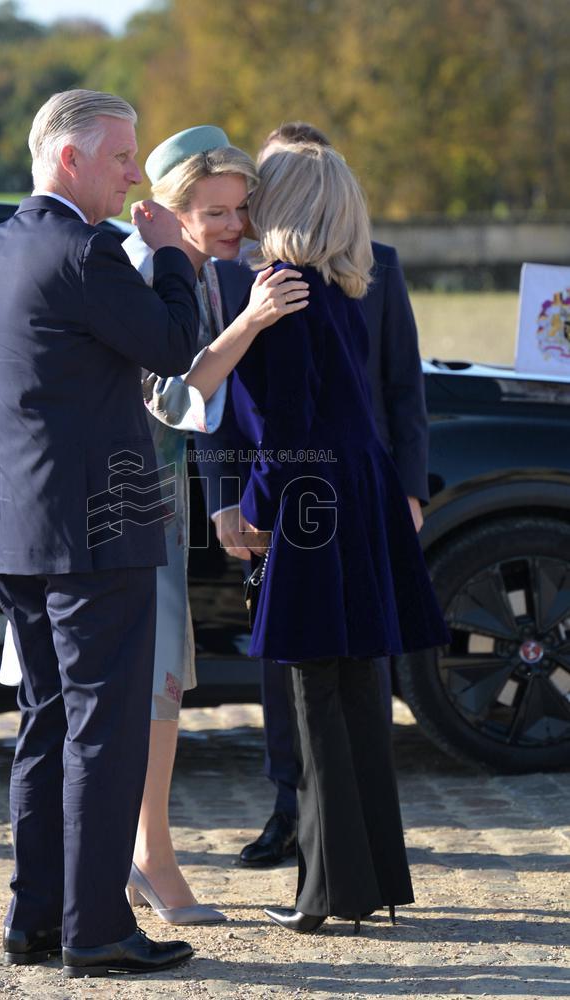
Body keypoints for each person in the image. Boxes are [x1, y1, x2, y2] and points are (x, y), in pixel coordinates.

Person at [0, 125, 309, 924]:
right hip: (116, 516)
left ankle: (137, 863)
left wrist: (219, 500)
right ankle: (145, 864)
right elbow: (170, 397)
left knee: (154, 695)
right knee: (142, 698)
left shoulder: (206, 274)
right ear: (169, 213)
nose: (235, 226)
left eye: (240, 209)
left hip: (153, 508)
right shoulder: (145, 270)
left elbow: (198, 416)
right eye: (216, 212)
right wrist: (249, 326)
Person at [0, 89, 201, 979]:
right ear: (69, 160)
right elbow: (172, 345)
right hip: (98, 537)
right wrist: (171, 254)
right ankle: (95, 930)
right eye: (123, 156)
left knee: (46, 722)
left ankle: (34, 921)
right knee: (104, 731)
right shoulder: (88, 251)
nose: (135, 173)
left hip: (12, 537)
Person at [228, 140, 451, 933]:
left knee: (316, 689)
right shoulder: (339, 284)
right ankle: (371, 882)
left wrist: (253, 510)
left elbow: (285, 420)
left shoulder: (281, 290)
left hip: (311, 495)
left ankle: (325, 890)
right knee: (358, 687)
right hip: (359, 488)